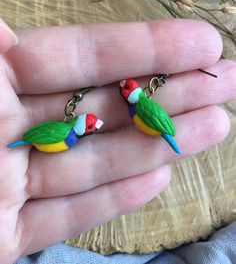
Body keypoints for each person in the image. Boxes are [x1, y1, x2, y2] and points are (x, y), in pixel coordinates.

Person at [0, 18, 235, 264]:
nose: (93, 128)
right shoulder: (69, 131)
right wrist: (23, 140)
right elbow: (43, 136)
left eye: (91, 126)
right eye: (90, 127)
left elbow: (153, 120)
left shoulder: (140, 108)